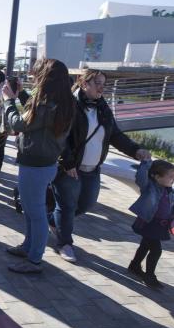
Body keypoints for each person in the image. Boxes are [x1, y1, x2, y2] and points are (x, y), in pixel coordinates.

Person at [50, 69, 151, 263]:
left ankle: (52, 220)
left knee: (86, 204)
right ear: (84, 84)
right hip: (69, 168)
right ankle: (64, 243)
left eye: (104, 83)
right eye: (97, 82)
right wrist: (67, 162)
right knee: (67, 206)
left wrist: (136, 150)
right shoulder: (69, 105)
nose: (102, 87)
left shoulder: (103, 107)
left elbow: (115, 135)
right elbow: (60, 137)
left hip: (92, 168)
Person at [3, 58, 75, 274]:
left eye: (37, 74)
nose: (34, 77)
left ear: (46, 77)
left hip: (35, 164)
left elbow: (20, 123)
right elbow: (37, 120)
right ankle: (28, 247)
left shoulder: (45, 103)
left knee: (36, 213)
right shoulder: (64, 101)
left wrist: (8, 101)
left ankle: (35, 259)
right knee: (32, 209)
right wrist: (23, 96)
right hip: (46, 163)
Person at [128, 160, 174, 288]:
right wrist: (146, 162)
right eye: (170, 176)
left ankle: (134, 265)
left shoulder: (169, 191)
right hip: (148, 224)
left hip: (159, 226)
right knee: (156, 250)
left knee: (145, 246)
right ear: (157, 176)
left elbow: (171, 207)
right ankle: (149, 276)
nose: (173, 179)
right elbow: (141, 177)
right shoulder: (149, 187)